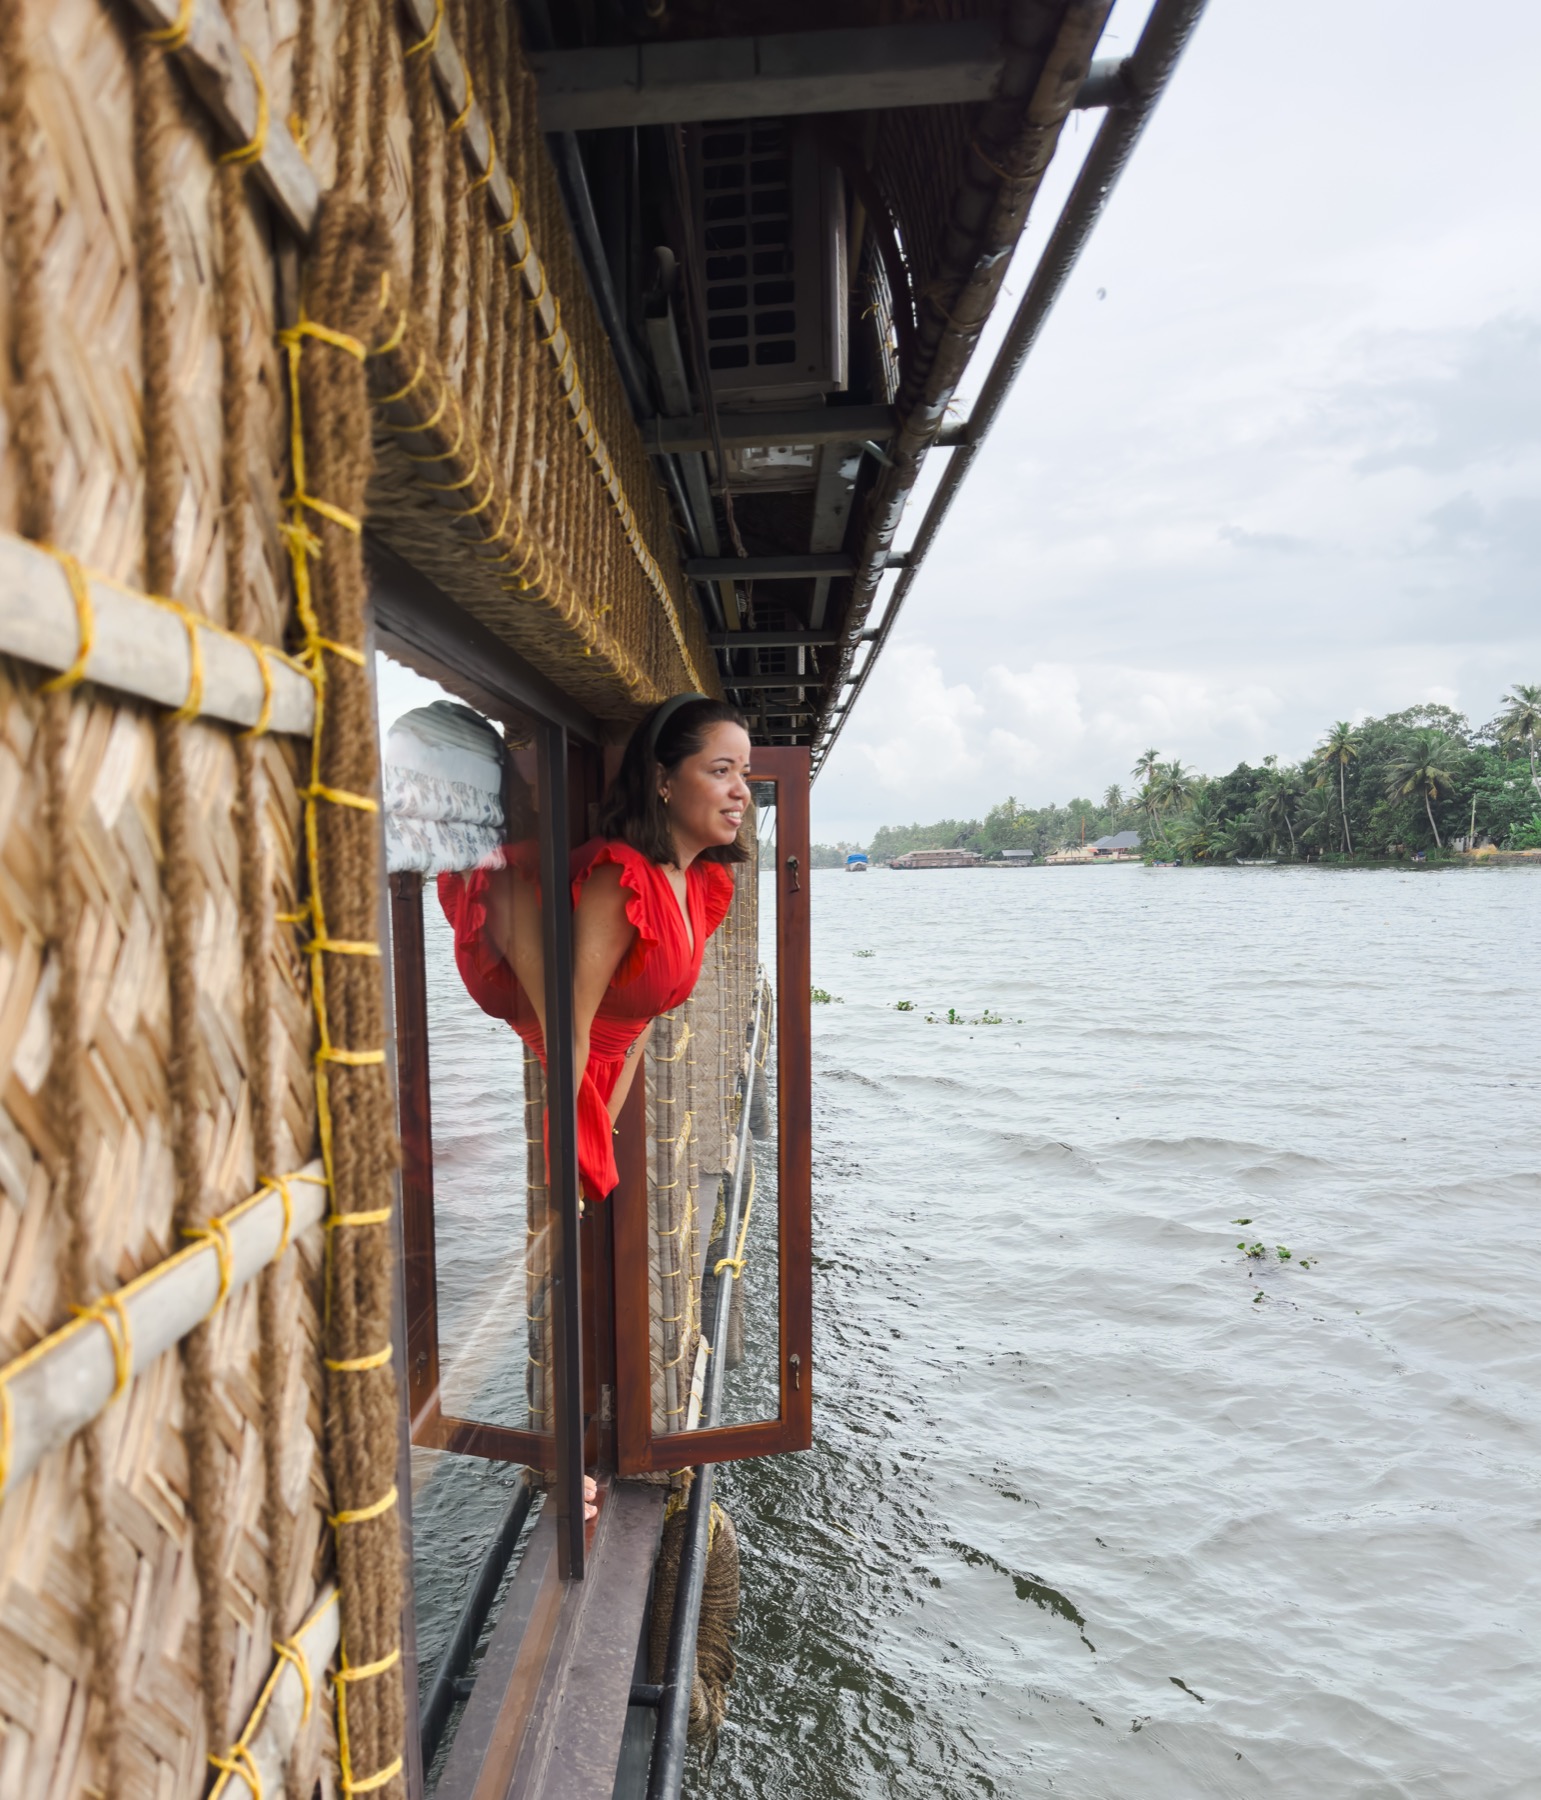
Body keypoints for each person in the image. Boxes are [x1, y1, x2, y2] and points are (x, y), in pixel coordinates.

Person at [438, 694, 752, 1516]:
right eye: (718, 770)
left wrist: (603, 1117)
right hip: (552, 1019)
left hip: (601, 1059)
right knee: (565, 1225)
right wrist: (570, 1131)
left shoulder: (699, 885)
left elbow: (645, 1016)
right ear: (661, 780)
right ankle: (561, 1461)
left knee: (578, 1219)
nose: (739, 791)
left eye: (744, 774)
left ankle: (566, 1450)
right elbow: (569, 1018)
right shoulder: (624, 877)